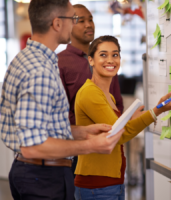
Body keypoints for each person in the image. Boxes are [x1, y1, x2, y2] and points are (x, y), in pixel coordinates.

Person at [0, 2, 125, 200]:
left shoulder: (30, 59)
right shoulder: (39, 71)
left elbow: (41, 128)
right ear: (57, 23)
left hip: (38, 174)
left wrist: (82, 132)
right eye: (73, 18)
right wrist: (91, 145)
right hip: (42, 177)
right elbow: (33, 146)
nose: (76, 23)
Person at [74, 35, 171, 200]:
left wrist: (137, 118)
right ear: (91, 60)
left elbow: (116, 128)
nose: (110, 60)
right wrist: (157, 111)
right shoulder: (90, 92)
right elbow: (118, 134)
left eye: (115, 54)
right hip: (97, 185)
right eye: (103, 55)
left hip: (111, 183)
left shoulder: (108, 95)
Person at [57, 3, 124, 175]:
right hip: (77, 147)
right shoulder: (60, 62)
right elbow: (61, 110)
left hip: (110, 140)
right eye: (80, 20)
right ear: (68, 26)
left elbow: (117, 101)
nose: (88, 25)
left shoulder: (105, 59)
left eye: (91, 19)